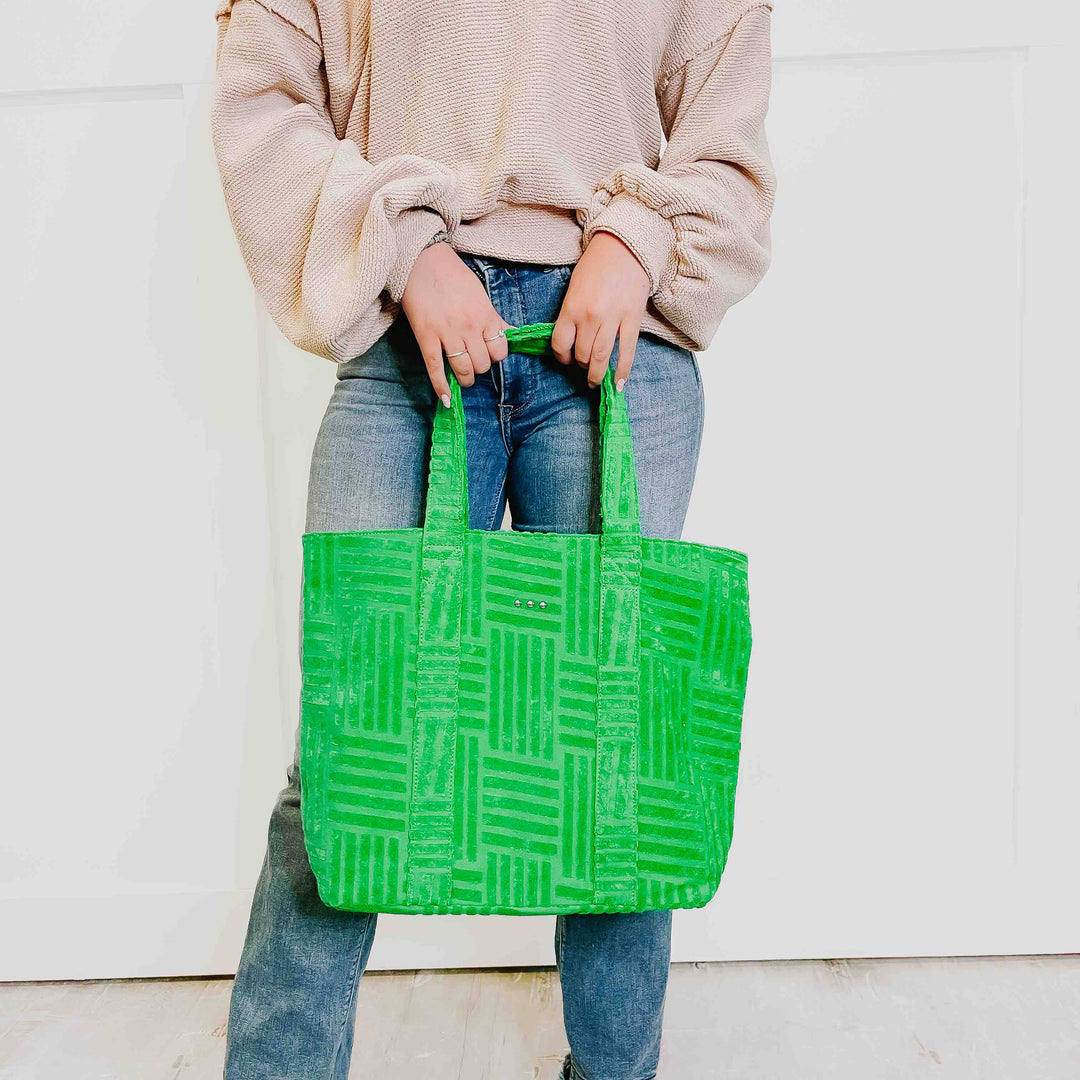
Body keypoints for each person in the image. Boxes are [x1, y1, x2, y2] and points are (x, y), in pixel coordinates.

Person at [209, 0, 775, 1076]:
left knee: (626, 767)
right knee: (349, 758)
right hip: (406, 332)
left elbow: (725, 120)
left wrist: (633, 236)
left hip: (617, 340)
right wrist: (408, 248)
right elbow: (262, 94)